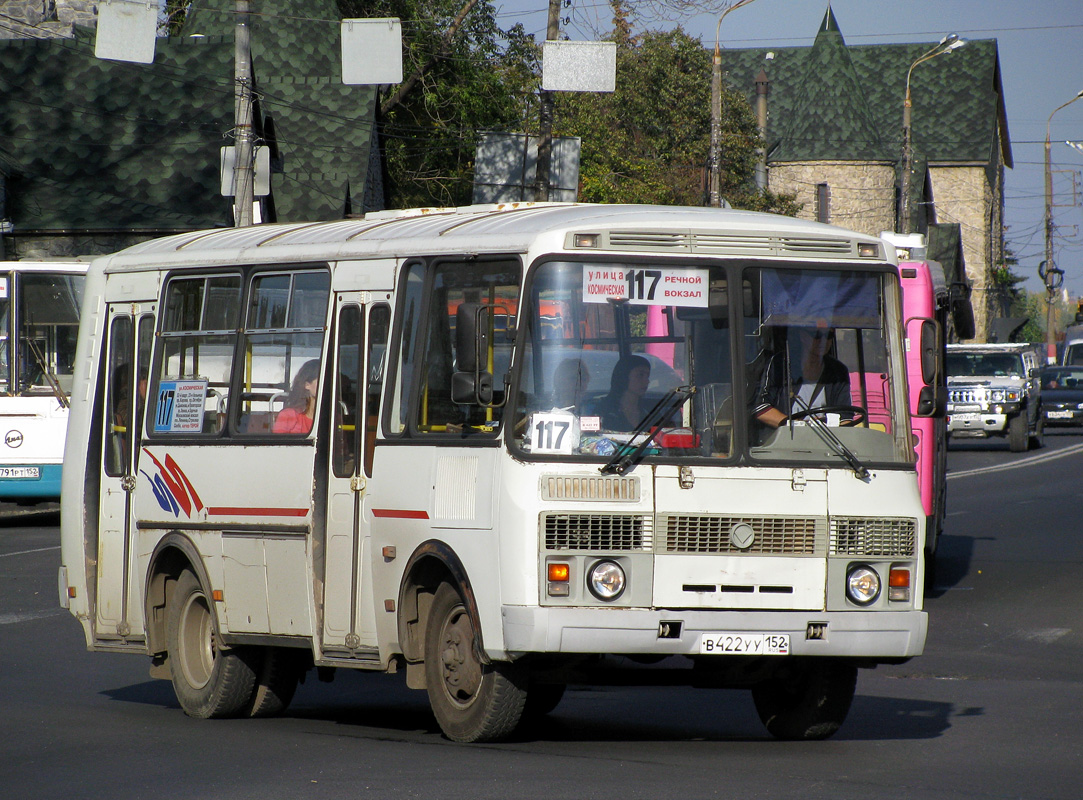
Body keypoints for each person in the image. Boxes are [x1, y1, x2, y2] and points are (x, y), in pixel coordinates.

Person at [750, 326, 851, 429]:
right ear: (803, 336)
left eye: (829, 335)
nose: (823, 340)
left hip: (824, 442)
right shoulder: (780, 364)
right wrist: (797, 426)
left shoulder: (838, 371)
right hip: (782, 441)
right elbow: (759, 408)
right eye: (817, 335)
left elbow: (846, 418)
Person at [592, 354, 653, 431]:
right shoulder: (604, 411)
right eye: (640, 375)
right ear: (624, 376)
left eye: (647, 376)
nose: (647, 381)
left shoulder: (651, 411)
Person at [274, 359, 320, 434]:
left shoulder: (334, 417)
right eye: (321, 381)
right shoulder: (288, 415)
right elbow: (278, 444)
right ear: (307, 385)